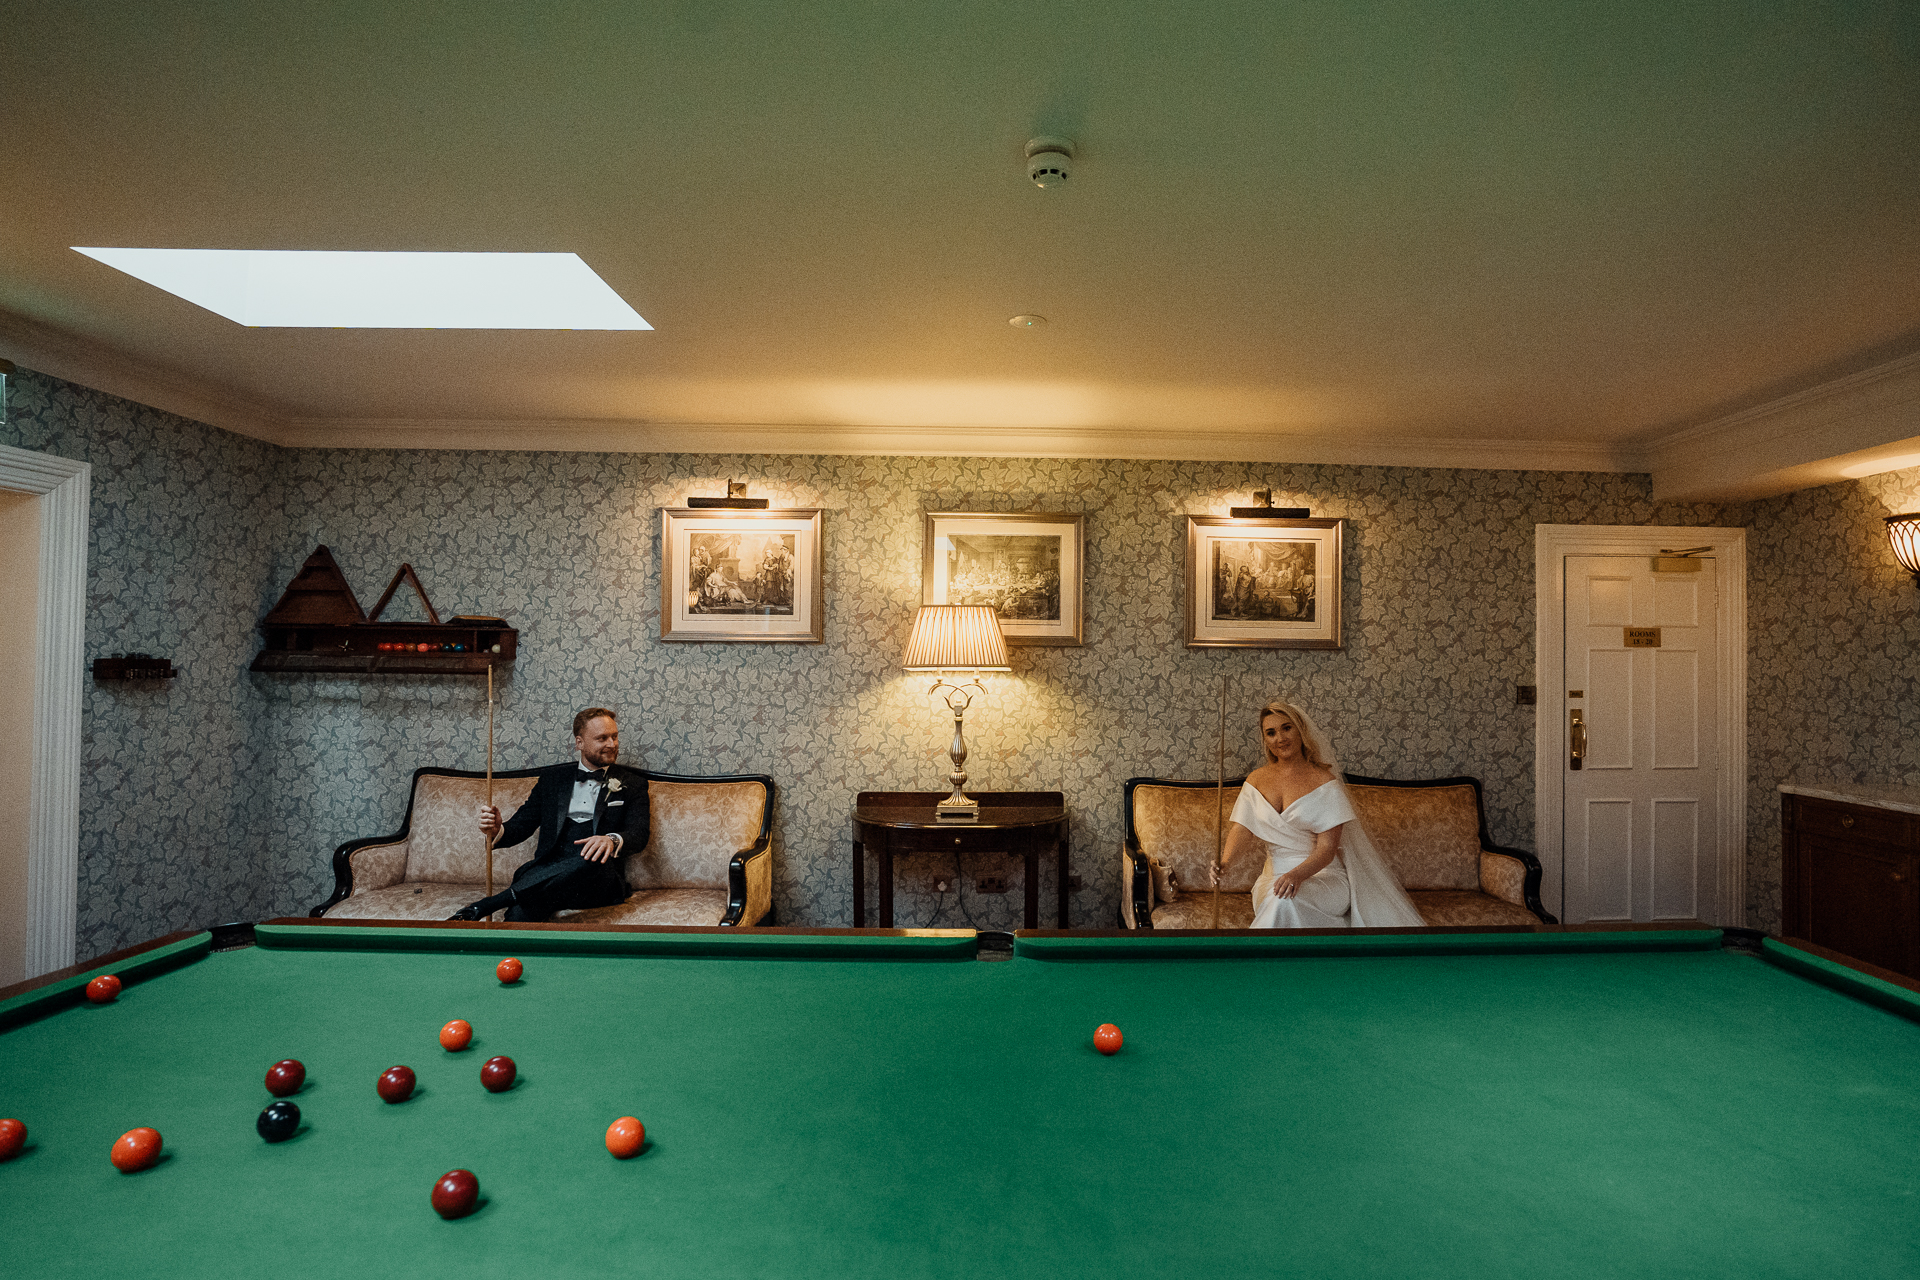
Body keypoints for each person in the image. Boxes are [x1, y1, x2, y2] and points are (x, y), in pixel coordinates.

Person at [1209, 698, 1424, 929]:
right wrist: (1225, 862)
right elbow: (1242, 829)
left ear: (1301, 730)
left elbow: (1326, 849)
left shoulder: (1325, 783)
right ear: (1265, 740)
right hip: (1272, 880)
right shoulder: (1255, 780)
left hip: (1324, 877)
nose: (1280, 738)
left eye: (1287, 728)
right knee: (1279, 897)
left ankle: (1252, 963)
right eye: (1271, 733)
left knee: (1283, 901)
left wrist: (1297, 875)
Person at [448, 707, 650, 922]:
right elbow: (521, 826)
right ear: (579, 742)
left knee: (590, 859)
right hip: (548, 874)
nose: (612, 744)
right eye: (602, 738)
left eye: (614, 736)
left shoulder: (633, 784)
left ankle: (489, 904)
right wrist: (498, 829)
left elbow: (638, 834)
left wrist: (610, 840)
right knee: (520, 913)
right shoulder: (552, 780)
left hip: (596, 879)